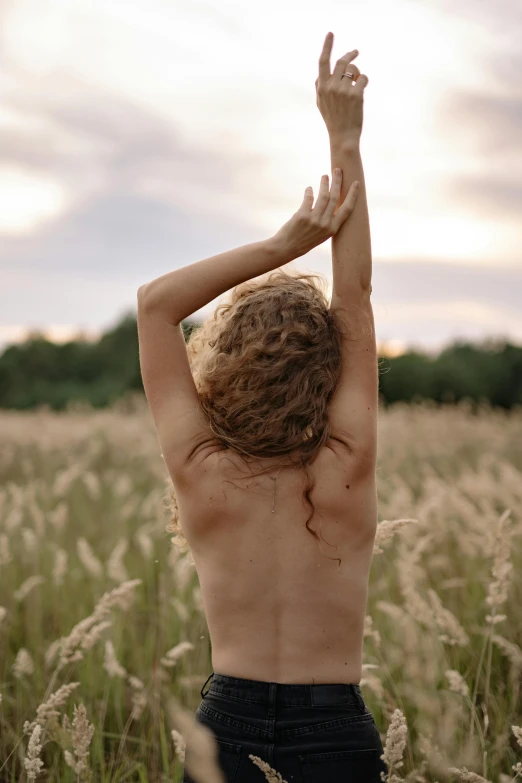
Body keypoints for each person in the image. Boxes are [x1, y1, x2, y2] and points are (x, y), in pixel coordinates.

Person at [137, 30, 387, 783]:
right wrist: (344, 137)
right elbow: (356, 295)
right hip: (335, 733)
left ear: (224, 367)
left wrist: (283, 243)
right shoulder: (345, 466)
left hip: (226, 729)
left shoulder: (201, 470)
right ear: (325, 369)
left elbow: (155, 307)